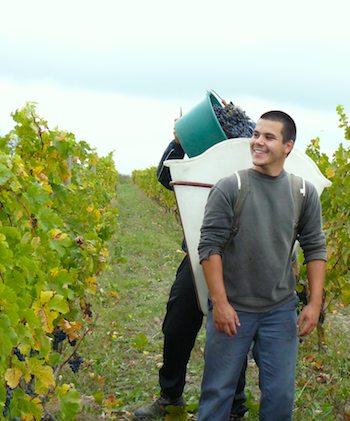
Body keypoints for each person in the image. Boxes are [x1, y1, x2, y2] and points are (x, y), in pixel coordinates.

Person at [197, 111, 327, 421]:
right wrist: (221, 304)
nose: (258, 141)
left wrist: (314, 303)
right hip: (234, 309)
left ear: (288, 147)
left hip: (279, 311)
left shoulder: (303, 193)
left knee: (280, 397)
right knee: (218, 394)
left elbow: (315, 248)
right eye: (256, 135)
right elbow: (209, 247)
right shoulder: (232, 187)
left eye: (269, 137)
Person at [134, 129, 248, 420]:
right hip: (197, 257)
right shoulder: (202, 165)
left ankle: (234, 406)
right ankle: (170, 396)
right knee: (177, 325)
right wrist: (178, 143)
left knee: (232, 329)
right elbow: (165, 176)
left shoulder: (249, 169)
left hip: (240, 262)